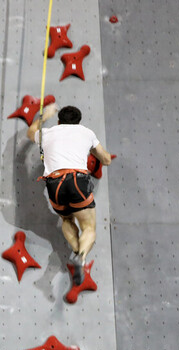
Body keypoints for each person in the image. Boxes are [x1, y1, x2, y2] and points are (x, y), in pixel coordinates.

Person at [27, 105, 113, 284]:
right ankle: (81, 257)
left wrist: (43, 116)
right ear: (78, 122)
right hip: (77, 181)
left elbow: (31, 132)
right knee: (88, 228)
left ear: (59, 121)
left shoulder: (48, 133)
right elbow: (106, 159)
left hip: (54, 183)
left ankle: (75, 250)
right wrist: (89, 151)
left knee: (66, 220)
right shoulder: (87, 133)